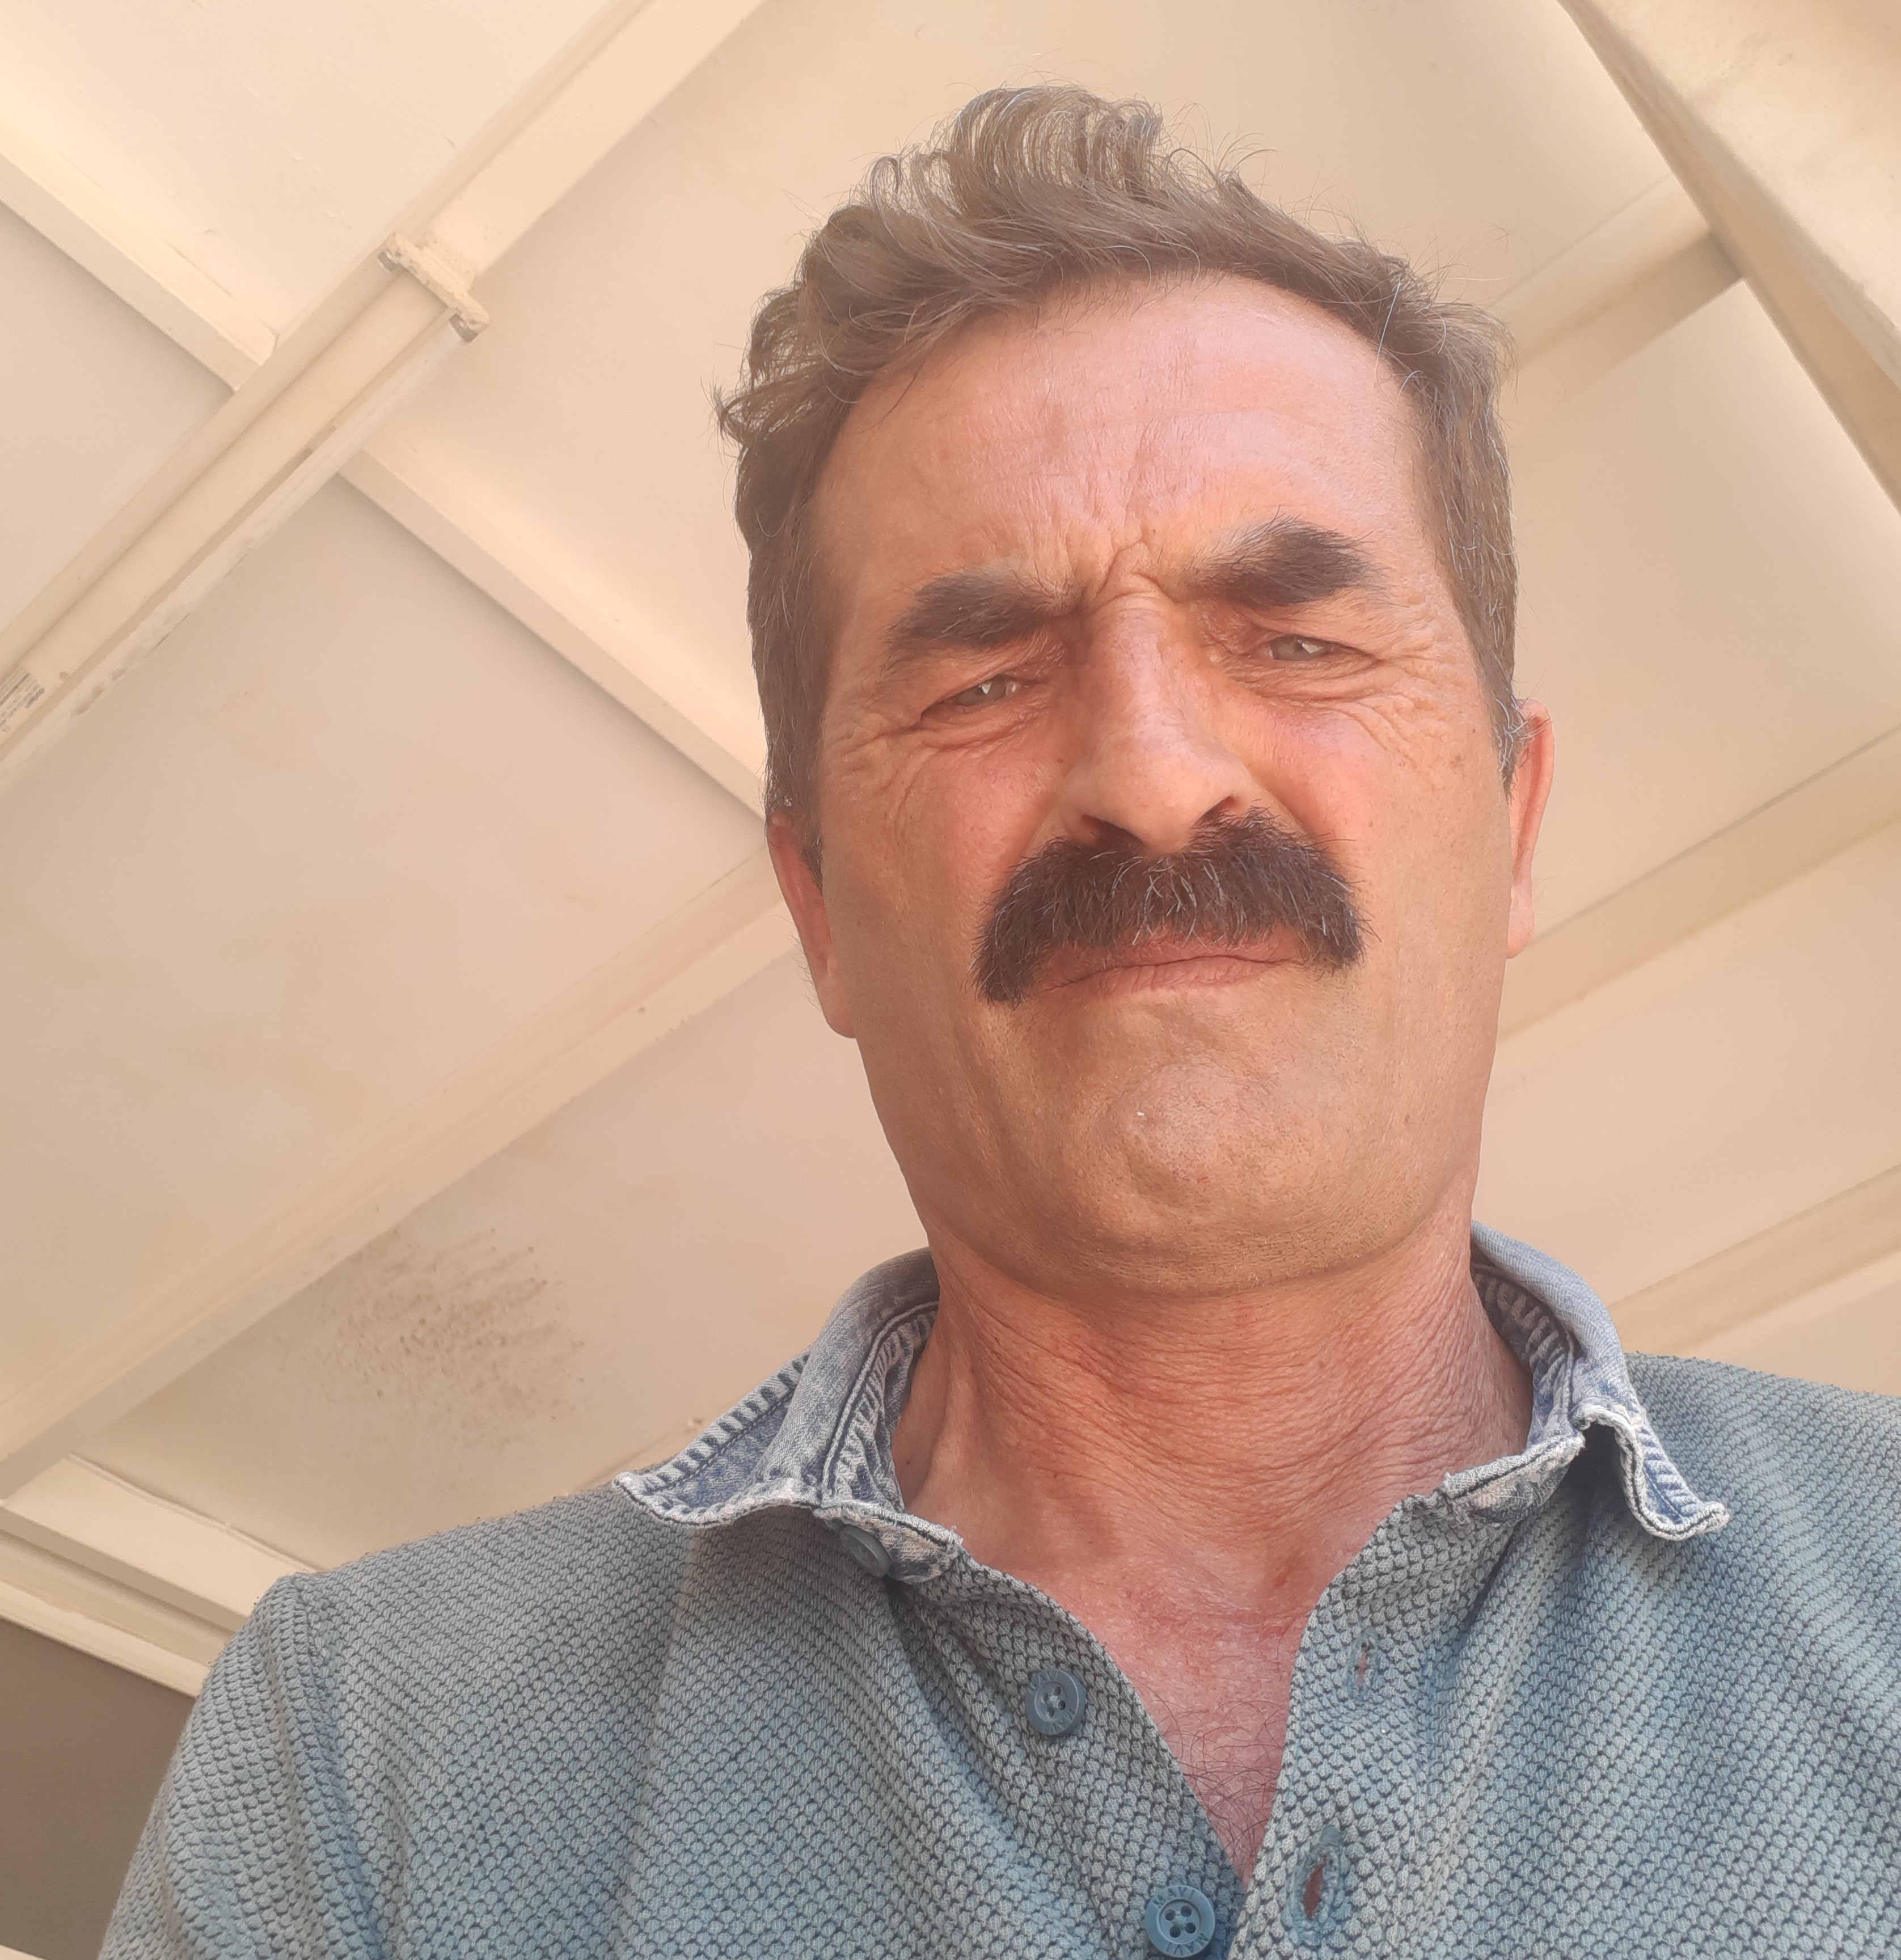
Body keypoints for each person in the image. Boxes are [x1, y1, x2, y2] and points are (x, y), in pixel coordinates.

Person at [106, 87, 1901, 1958]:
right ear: (820, 907)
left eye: (1298, 640)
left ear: (1513, 830)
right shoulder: (368, 1757)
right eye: (983, 679)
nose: (1151, 774)